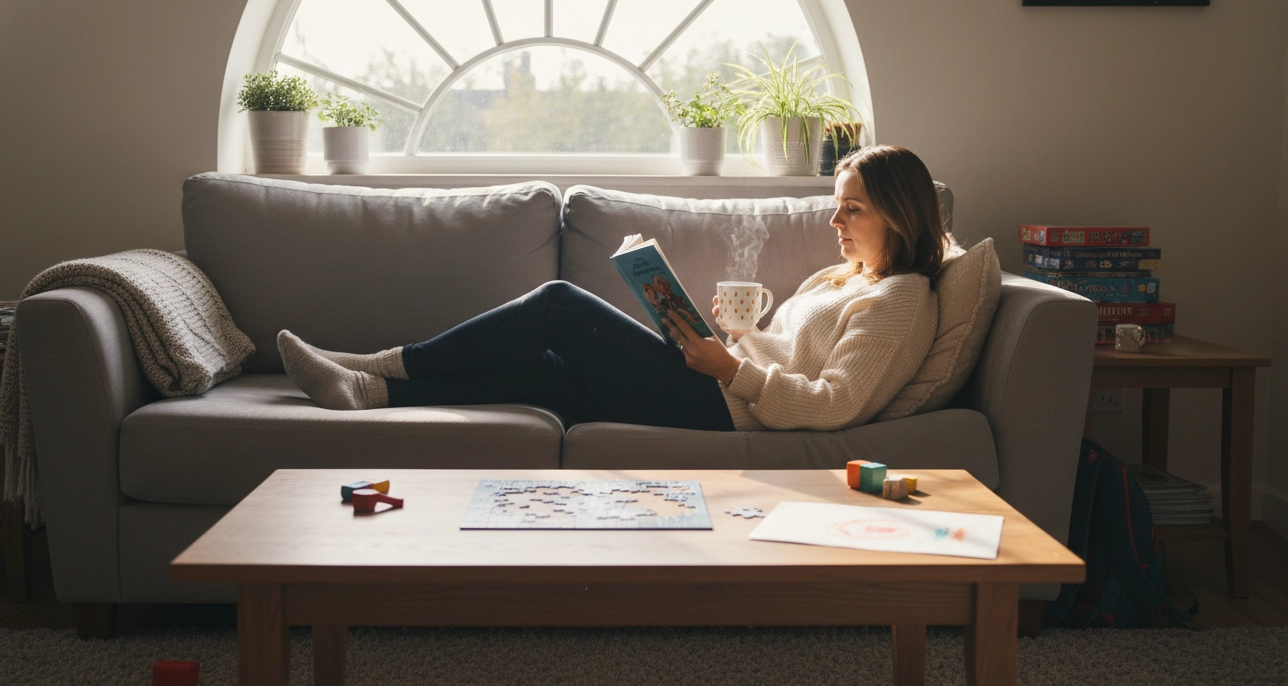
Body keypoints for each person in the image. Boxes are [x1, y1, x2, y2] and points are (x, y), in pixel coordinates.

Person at [278, 144, 947, 432]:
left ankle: (379, 361)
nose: (834, 220)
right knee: (548, 377)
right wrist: (730, 341)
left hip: (727, 409)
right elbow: (787, 356)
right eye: (837, 205)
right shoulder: (845, 277)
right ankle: (368, 392)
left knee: (559, 308)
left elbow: (835, 404)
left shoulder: (900, 300)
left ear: (899, 212)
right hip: (722, 385)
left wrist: (731, 372)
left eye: (851, 208)